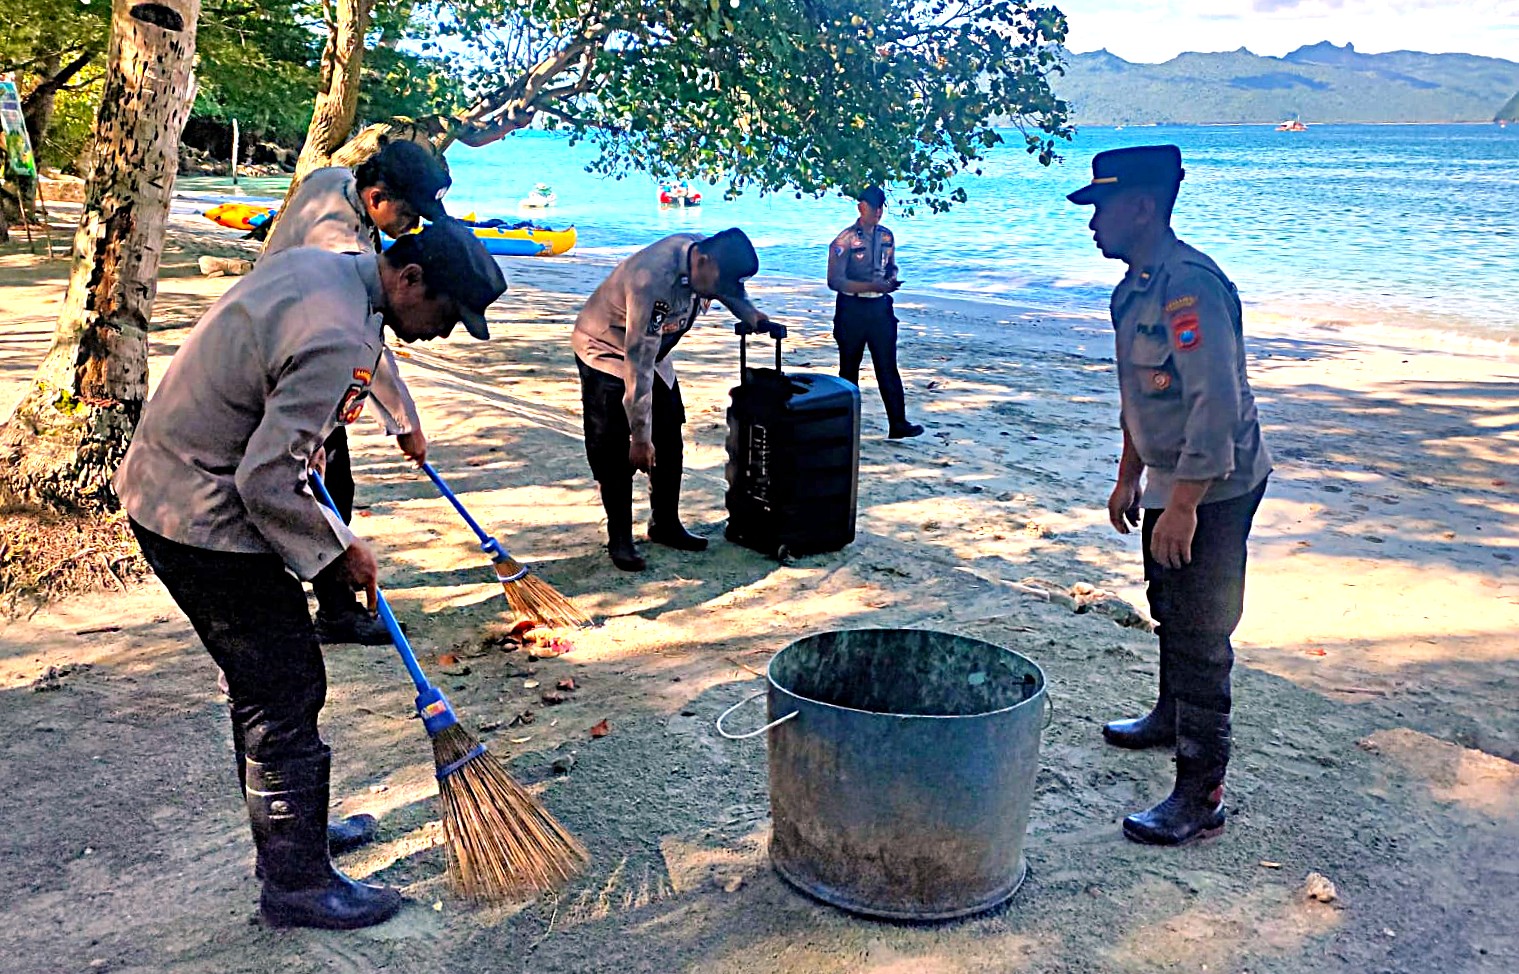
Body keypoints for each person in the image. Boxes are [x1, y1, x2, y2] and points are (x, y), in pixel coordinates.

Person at [114, 219, 507, 929]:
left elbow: (273, 397)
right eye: (446, 315)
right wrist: (338, 548)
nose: (444, 333)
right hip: (201, 518)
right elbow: (265, 480)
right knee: (286, 686)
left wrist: (313, 440)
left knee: (268, 686)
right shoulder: (340, 337)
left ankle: (290, 837)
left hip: (163, 483)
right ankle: (295, 884)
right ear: (410, 279)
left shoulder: (327, 271)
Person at [1068, 145, 1271, 846]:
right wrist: (1129, 472)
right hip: (1169, 471)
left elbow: (1213, 403)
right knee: (1166, 598)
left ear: (1142, 208)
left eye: (1100, 209)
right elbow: (1140, 396)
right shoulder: (1133, 288)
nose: (1090, 223)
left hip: (1216, 481)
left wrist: (1182, 503)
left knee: (1200, 630)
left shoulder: (1190, 287)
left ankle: (1199, 793)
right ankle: (1167, 715)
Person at [263, 138, 451, 647]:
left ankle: (333, 605)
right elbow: (365, 344)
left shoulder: (331, 183)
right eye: (409, 214)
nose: (411, 227)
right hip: (296, 366)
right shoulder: (338, 241)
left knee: (329, 486)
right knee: (322, 489)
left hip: (291, 345)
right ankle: (335, 611)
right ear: (375, 197)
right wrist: (404, 422)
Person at [572, 228, 782, 571]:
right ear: (702, 261)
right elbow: (637, 364)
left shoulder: (708, 259)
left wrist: (751, 315)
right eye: (719, 282)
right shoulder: (652, 282)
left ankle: (665, 524)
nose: (719, 291)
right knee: (614, 448)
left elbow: (729, 288)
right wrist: (640, 438)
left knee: (669, 434)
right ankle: (620, 539)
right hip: (607, 350)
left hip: (655, 351)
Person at [827, 186, 923, 439]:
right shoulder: (844, 240)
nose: (878, 213)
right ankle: (846, 426)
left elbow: (890, 265)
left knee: (888, 366)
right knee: (849, 368)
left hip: (880, 307)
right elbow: (835, 281)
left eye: (881, 208)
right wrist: (872, 286)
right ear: (861, 207)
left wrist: (891, 278)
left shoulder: (886, 237)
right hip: (852, 308)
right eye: (873, 208)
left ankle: (898, 423)